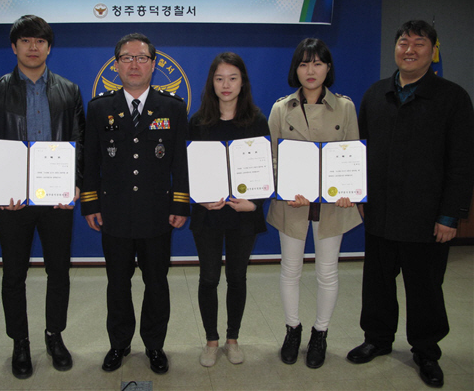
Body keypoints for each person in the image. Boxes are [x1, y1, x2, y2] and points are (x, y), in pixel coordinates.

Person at [347, 20, 474, 388]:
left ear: (432, 51)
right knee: (377, 285)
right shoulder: (376, 94)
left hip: (427, 218)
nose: (410, 49)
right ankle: (377, 339)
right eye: (404, 42)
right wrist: (360, 196)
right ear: (396, 48)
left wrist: (450, 215)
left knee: (425, 289)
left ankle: (426, 351)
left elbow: (462, 162)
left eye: (420, 43)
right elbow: (359, 153)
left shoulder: (452, 98)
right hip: (380, 213)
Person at [0, 15, 85, 379]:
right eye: (25, 41)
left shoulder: (69, 90)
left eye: (39, 41)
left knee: (59, 271)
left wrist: (75, 183)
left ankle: (54, 335)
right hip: (13, 200)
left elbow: (80, 141)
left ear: (49, 47)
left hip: (56, 198)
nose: (33, 47)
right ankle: (19, 342)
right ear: (14, 47)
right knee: (13, 274)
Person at [81, 33, 189, 374]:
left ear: (153, 65)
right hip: (114, 213)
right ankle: (119, 343)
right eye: (126, 58)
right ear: (116, 65)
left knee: (157, 283)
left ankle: (154, 345)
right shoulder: (100, 108)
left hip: (158, 213)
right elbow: (90, 160)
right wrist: (90, 203)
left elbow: (180, 162)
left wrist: (180, 204)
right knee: (118, 283)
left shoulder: (173, 107)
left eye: (142, 58)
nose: (134, 64)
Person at [268, 39, 362, 368]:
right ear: (295, 69)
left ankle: (320, 333)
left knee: (327, 272)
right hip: (292, 204)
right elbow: (273, 159)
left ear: (328, 68)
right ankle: (292, 329)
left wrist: (350, 189)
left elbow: (352, 154)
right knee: (290, 270)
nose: (311, 70)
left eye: (318, 63)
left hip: (333, 206)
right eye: (304, 64)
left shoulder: (345, 107)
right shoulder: (281, 109)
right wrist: (284, 187)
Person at [188, 52, 269, 367]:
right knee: (209, 278)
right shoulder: (197, 122)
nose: (226, 85)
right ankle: (211, 341)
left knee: (237, 277)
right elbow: (186, 170)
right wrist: (198, 197)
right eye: (219, 78)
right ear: (211, 82)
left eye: (232, 78)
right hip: (207, 213)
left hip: (243, 214)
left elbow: (265, 170)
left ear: (242, 82)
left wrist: (255, 203)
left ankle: (232, 339)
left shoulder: (257, 120)